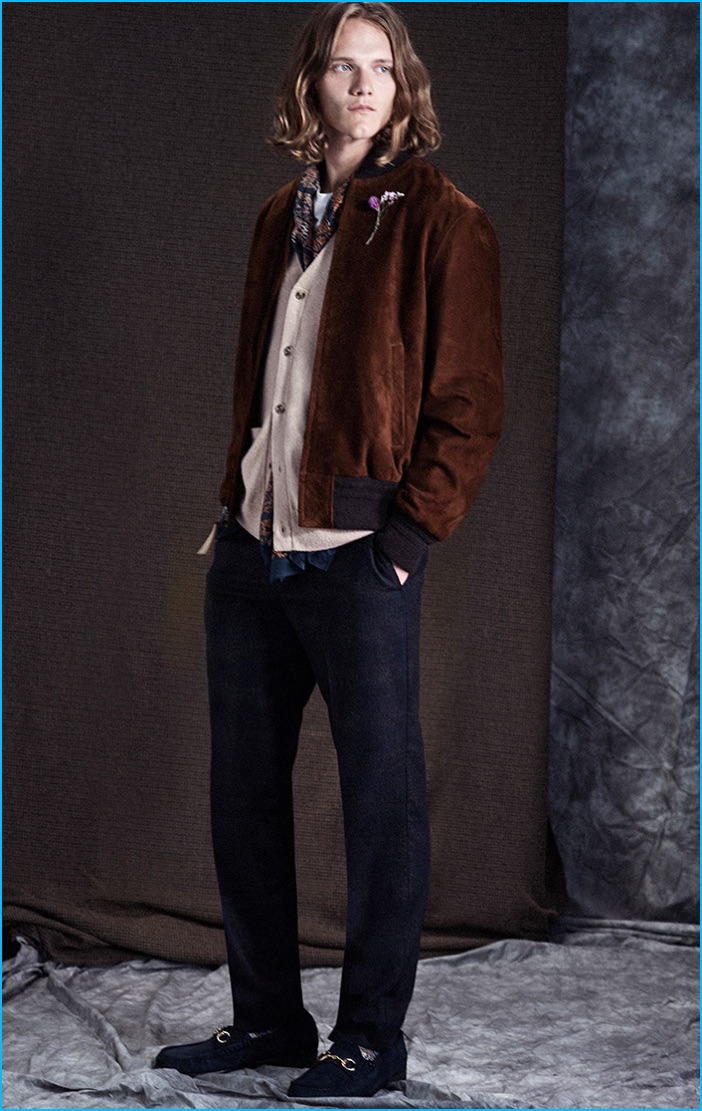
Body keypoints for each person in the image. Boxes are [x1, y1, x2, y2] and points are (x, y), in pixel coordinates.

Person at [155, 1, 503, 1098]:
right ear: (311, 83)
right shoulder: (280, 217)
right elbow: (265, 383)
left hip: (359, 552)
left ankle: (370, 1040)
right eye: (344, 66)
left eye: (381, 68)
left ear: (404, 87)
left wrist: (405, 539)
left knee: (382, 803)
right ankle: (267, 1019)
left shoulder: (444, 219)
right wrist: (234, 505)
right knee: (244, 794)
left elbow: (469, 404)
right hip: (252, 545)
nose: (362, 85)